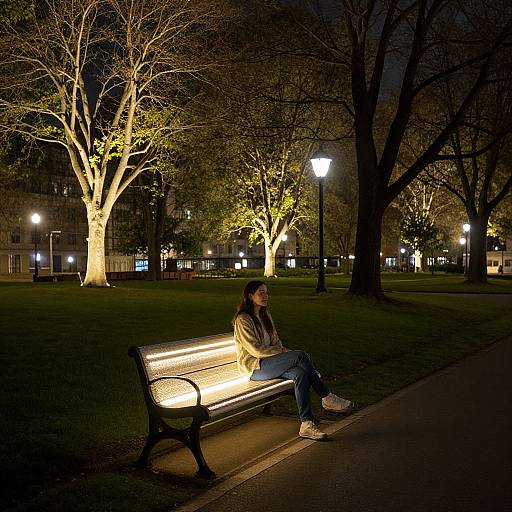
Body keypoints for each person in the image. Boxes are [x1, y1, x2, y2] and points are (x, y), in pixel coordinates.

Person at [233, 280, 353, 440]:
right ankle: (327, 397)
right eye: (261, 293)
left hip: (270, 363)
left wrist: (280, 351)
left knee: (301, 375)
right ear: (250, 296)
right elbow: (256, 350)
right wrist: (282, 352)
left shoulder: (265, 315)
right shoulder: (243, 319)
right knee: (300, 355)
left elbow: (276, 341)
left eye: (266, 292)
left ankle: (306, 424)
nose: (265, 296)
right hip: (254, 367)